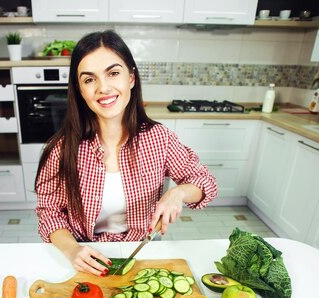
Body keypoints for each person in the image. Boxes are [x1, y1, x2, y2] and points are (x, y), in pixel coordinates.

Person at [35, 30, 217, 276]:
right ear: (79, 89)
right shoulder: (61, 149)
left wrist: (179, 192)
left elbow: (204, 181)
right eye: (89, 80)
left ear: (131, 78)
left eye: (113, 73)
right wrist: (72, 250)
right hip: (84, 254)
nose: (103, 88)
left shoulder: (159, 139)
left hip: (142, 252)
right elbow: (49, 212)